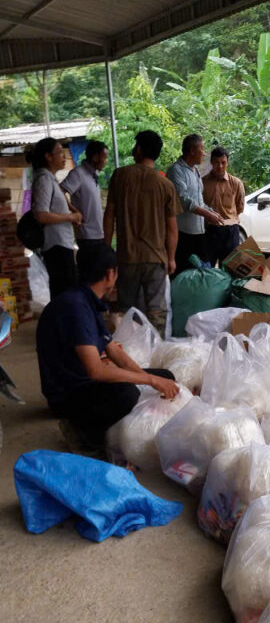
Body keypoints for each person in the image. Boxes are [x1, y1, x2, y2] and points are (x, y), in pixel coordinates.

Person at [36, 241, 178, 455]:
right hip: (68, 395)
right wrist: (148, 381)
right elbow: (96, 370)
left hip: (86, 382)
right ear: (111, 273)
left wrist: (149, 379)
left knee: (166, 376)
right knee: (127, 394)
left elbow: (113, 351)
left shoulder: (86, 300)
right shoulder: (76, 307)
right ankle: (82, 432)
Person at [103, 130, 181, 336]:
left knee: (125, 309)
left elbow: (109, 216)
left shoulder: (120, 176)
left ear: (138, 149)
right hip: (155, 258)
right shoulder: (165, 184)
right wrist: (171, 258)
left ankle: (125, 348)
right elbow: (172, 228)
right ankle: (156, 350)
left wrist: (107, 248)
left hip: (127, 257)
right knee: (156, 311)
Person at [30, 137, 83, 298]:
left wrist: (74, 213)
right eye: (60, 152)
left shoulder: (50, 179)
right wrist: (70, 217)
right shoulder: (43, 179)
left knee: (68, 290)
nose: (64, 157)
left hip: (62, 243)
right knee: (64, 292)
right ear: (48, 156)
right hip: (55, 244)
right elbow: (41, 215)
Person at [166, 133, 224, 274]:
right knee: (183, 274)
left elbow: (199, 201)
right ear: (192, 150)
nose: (204, 153)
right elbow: (184, 200)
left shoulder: (195, 170)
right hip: (183, 234)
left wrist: (211, 211)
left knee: (201, 273)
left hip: (199, 233)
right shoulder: (176, 170)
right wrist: (207, 214)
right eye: (202, 149)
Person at [61, 139, 108, 253]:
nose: (106, 162)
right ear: (95, 157)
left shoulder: (93, 174)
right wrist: (75, 212)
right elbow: (59, 192)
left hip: (98, 233)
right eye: (104, 158)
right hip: (87, 235)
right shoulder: (78, 173)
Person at [201, 146, 245, 267]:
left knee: (229, 269)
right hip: (209, 231)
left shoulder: (236, 183)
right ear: (211, 162)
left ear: (227, 163)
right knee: (207, 269)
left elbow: (240, 207)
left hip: (230, 232)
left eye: (223, 162)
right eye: (216, 162)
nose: (220, 166)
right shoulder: (202, 182)